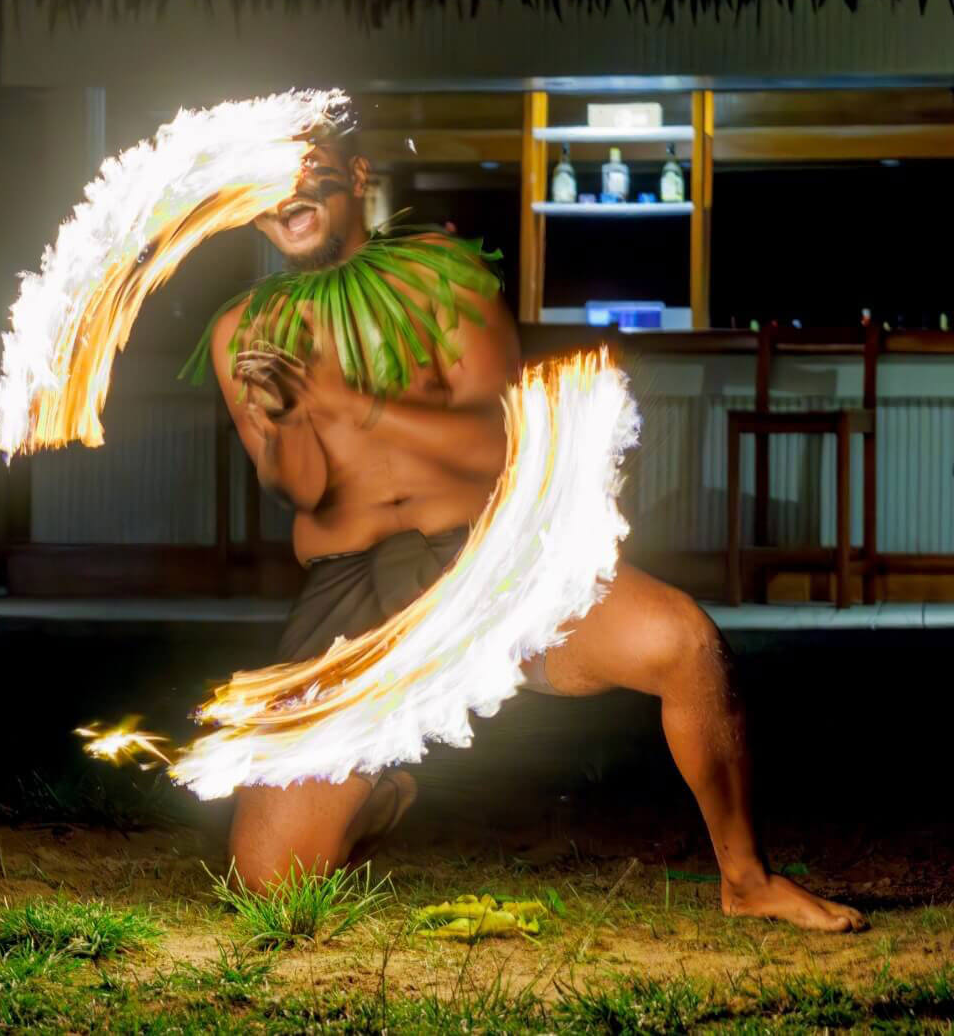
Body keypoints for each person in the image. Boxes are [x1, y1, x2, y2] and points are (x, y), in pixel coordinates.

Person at [206, 132, 866, 933]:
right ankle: (379, 785)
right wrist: (285, 420)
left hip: (485, 558)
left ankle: (747, 878)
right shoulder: (242, 328)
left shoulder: (441, 275)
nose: (282, 195)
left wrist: (344, 401)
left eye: (302, 172)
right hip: (352, 592)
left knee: (685, 644)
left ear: (357, 174)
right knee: (266, 886)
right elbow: (300, 488)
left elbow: (490, 441)